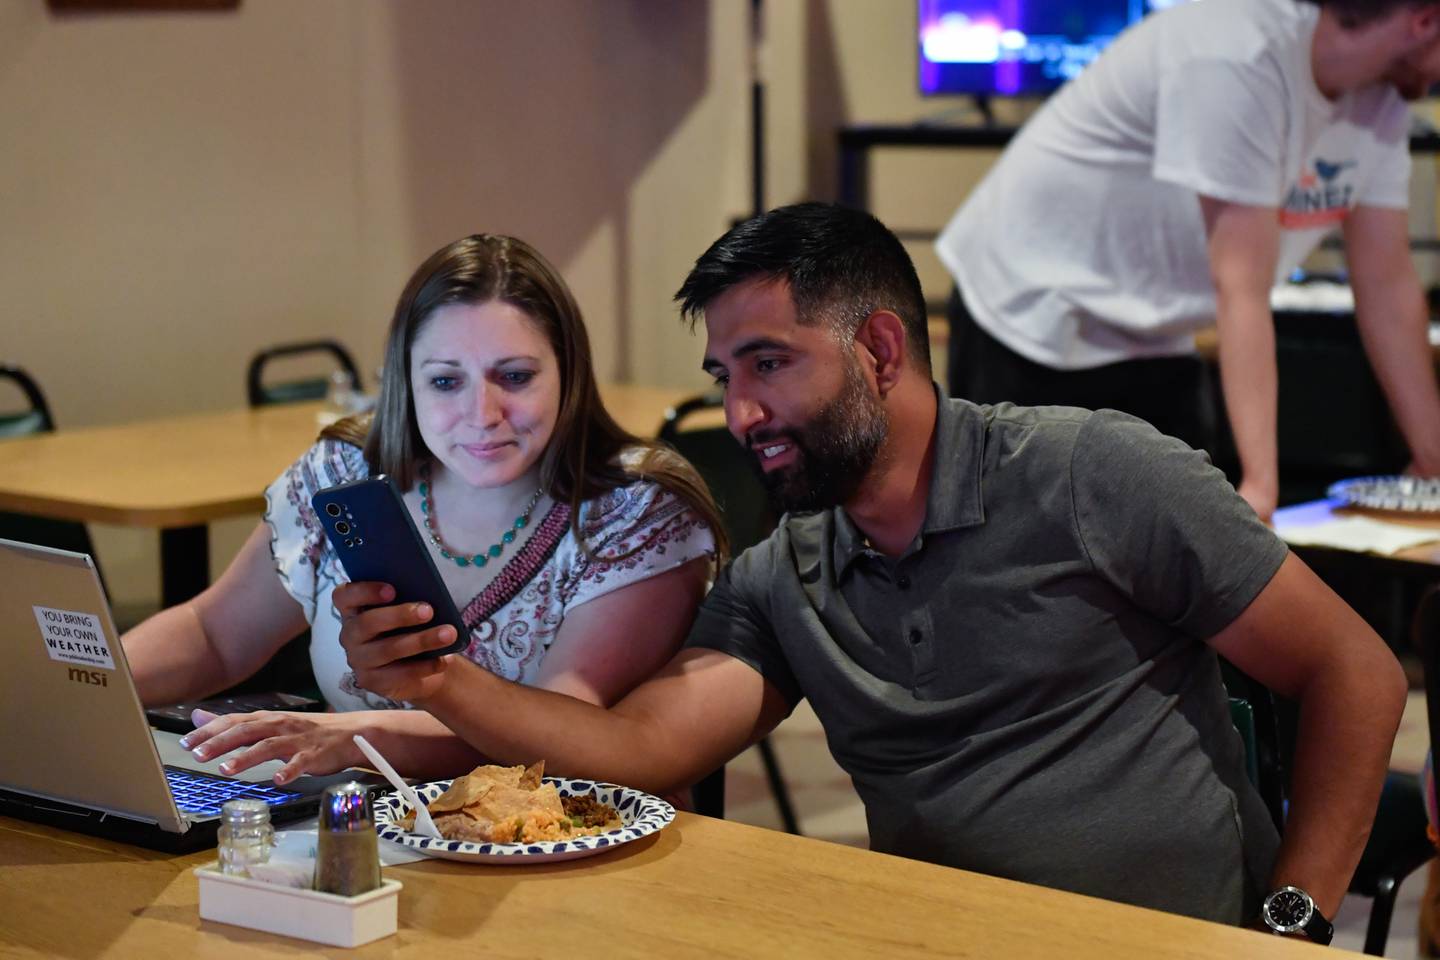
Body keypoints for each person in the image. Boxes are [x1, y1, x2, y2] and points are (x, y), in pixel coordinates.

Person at [314, 203, 1398, 932]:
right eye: (724, 375)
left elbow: (1355, 671)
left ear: (880, 352)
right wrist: (439, 679)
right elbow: (638, 751)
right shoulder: (784, 576)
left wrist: (1292, 926)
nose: (739, 415)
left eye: (770, 365)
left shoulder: (1090, 473)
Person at [122, 233, 721, 783]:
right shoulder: (349, 472)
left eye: (514, 377)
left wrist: (359, 738)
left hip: (560, 846)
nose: (482, 413)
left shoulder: (635, 514)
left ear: (569, 373)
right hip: (357, 829)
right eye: (444, 382)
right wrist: (78, 677)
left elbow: (560, 736)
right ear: (404, 382)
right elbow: (216, 637)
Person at [935, 0, 1440, 522]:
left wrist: (1432, 460)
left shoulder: (1383, 93)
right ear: (1423, 20)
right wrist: (1259, 490)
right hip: (1033, 309)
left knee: (1170, 555)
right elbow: (1241, 286)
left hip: (1154, 330)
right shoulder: (1239, 54)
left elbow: (1387, 283)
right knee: (1033, 561)